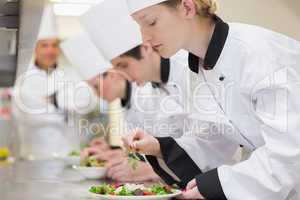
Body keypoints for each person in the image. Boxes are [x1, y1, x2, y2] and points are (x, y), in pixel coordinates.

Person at [121, 0, 300, 199]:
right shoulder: (199, 68)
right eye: (140, 27)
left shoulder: (259, 54)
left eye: (151, 22)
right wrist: (159, 147)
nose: (144, 38)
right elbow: (215, 137)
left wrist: (219, 185)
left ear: (187, 7)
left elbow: (290, 152)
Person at [80, 0, 238, 187]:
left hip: (228, 180)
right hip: (201, 181)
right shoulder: (151, 87)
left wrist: (151, 167)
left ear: (188, 8)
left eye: (123, 66)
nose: (124, 77)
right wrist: (126, 153)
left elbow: (219, 143)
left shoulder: (191, 70)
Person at [13, 4, 95, 160]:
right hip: (35, 157)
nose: (50, 50)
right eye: (44, 45)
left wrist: (49, 101)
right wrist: (64, 107)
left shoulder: (72, 74)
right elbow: (26, 113)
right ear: (35, 48)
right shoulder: (22, 77)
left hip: (70, 155)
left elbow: (86, 101)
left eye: (54, 45)